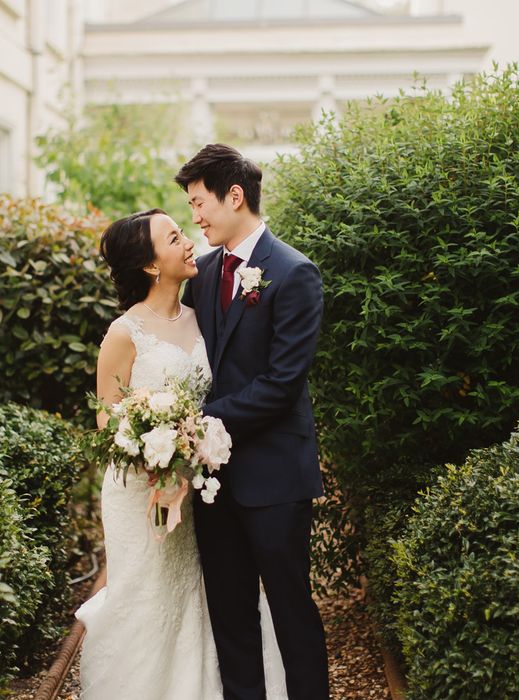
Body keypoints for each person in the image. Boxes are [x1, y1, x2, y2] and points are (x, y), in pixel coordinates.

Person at [75, 209, 287, 699]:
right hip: (140, 491)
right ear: (151, 265)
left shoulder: (202, 318)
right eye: (174, 237)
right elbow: (107, 422)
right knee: (150, 597)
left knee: (205, 595)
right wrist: (157, 460)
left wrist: (188, 454)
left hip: (199, 488)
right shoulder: (124, 333)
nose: (189, 241)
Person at [177, 143, 331, 700]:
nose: (195, 217)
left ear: (234, 196)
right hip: (214, 483)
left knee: (292, 614)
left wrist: (194, 422)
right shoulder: (204, 272)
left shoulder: (295, 274)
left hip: (274, 479)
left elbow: (280, 384)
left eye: (200, 203)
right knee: (230, 617)